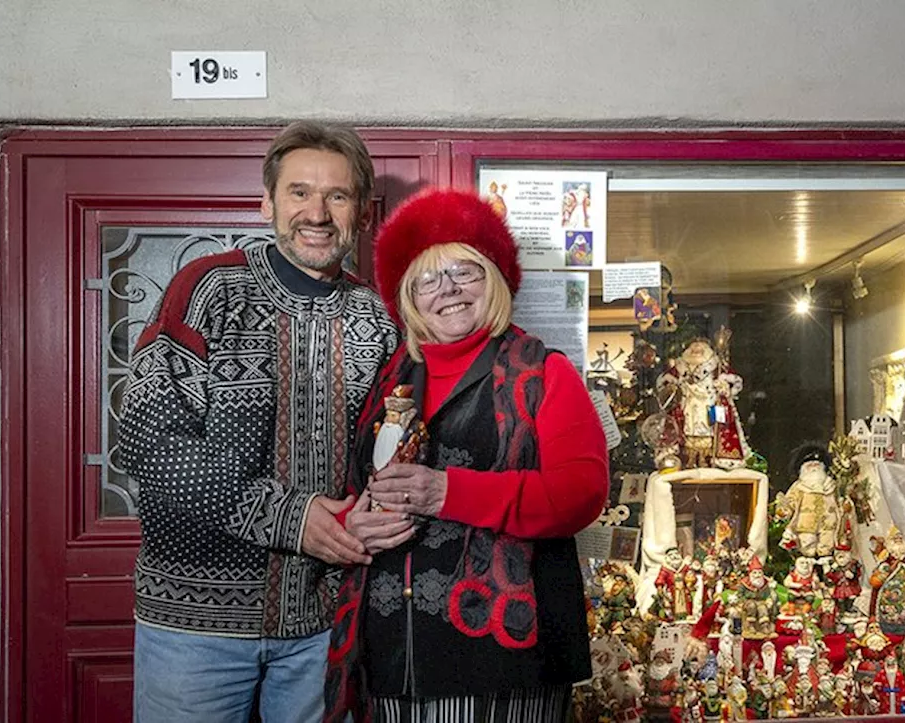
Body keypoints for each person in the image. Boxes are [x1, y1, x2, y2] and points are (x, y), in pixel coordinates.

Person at [122, 122, 400, 722]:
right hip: (195, 625)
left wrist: (383, 506)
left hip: (324, 623)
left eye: (338, 196)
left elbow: (389, 451)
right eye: (299, 192)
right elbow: (149, 437)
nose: (317, 213)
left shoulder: (378, 319)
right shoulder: (208, 289)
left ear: (362, 213)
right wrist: (288, 517)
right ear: (267, 202)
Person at [324, 189, 609, 722]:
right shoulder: (388, 380)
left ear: (494, 279)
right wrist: (352, 521)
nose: (447, 290)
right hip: (390, 656)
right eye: (427, 278)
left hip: (503, 659)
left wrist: (447, 491)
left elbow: (579, 496)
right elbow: (356, 491)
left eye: (465, 271)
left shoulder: (544, 373)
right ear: (408, 297)